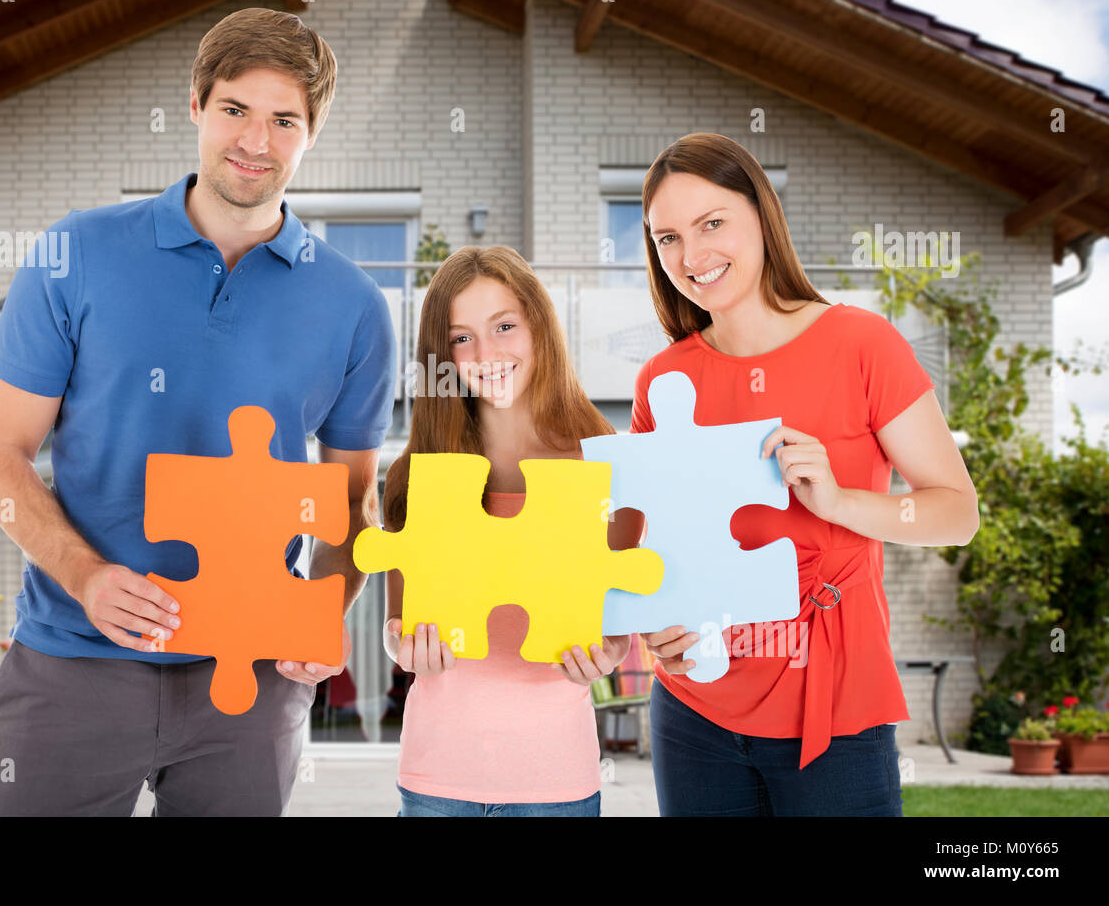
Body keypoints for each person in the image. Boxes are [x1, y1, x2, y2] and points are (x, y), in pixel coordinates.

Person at [0, 8, 397, 816]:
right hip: (71, 663)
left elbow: (349, 505)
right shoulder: (76, 255)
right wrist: (87, 576)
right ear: (197, 105)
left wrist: (320, 616)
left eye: (285, 121)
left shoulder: (354, 306)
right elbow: (0, 455)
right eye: (236, 108)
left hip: (249, 686)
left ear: (311, 135)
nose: (256, 141)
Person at [633, 133, 979, 816]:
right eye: (667, 237)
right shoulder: (664, 379)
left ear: (762, 215)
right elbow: (651, 547)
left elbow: (956, 512)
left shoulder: (862, 344)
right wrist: (657, 625)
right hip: (694, 712)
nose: (692, 256)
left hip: (835, 711)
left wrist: (842, 501)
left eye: (712, 223)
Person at [380, 245, 645, 817]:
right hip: (435, 780)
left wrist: (612, 651)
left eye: (504, 325)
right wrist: (406, 649)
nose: (487, 352)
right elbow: (394, 628)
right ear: (441, 354)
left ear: (539, 328)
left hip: (557, 782)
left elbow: (617, 623)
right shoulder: (416, 473)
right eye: (461, 337)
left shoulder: (605, 467)